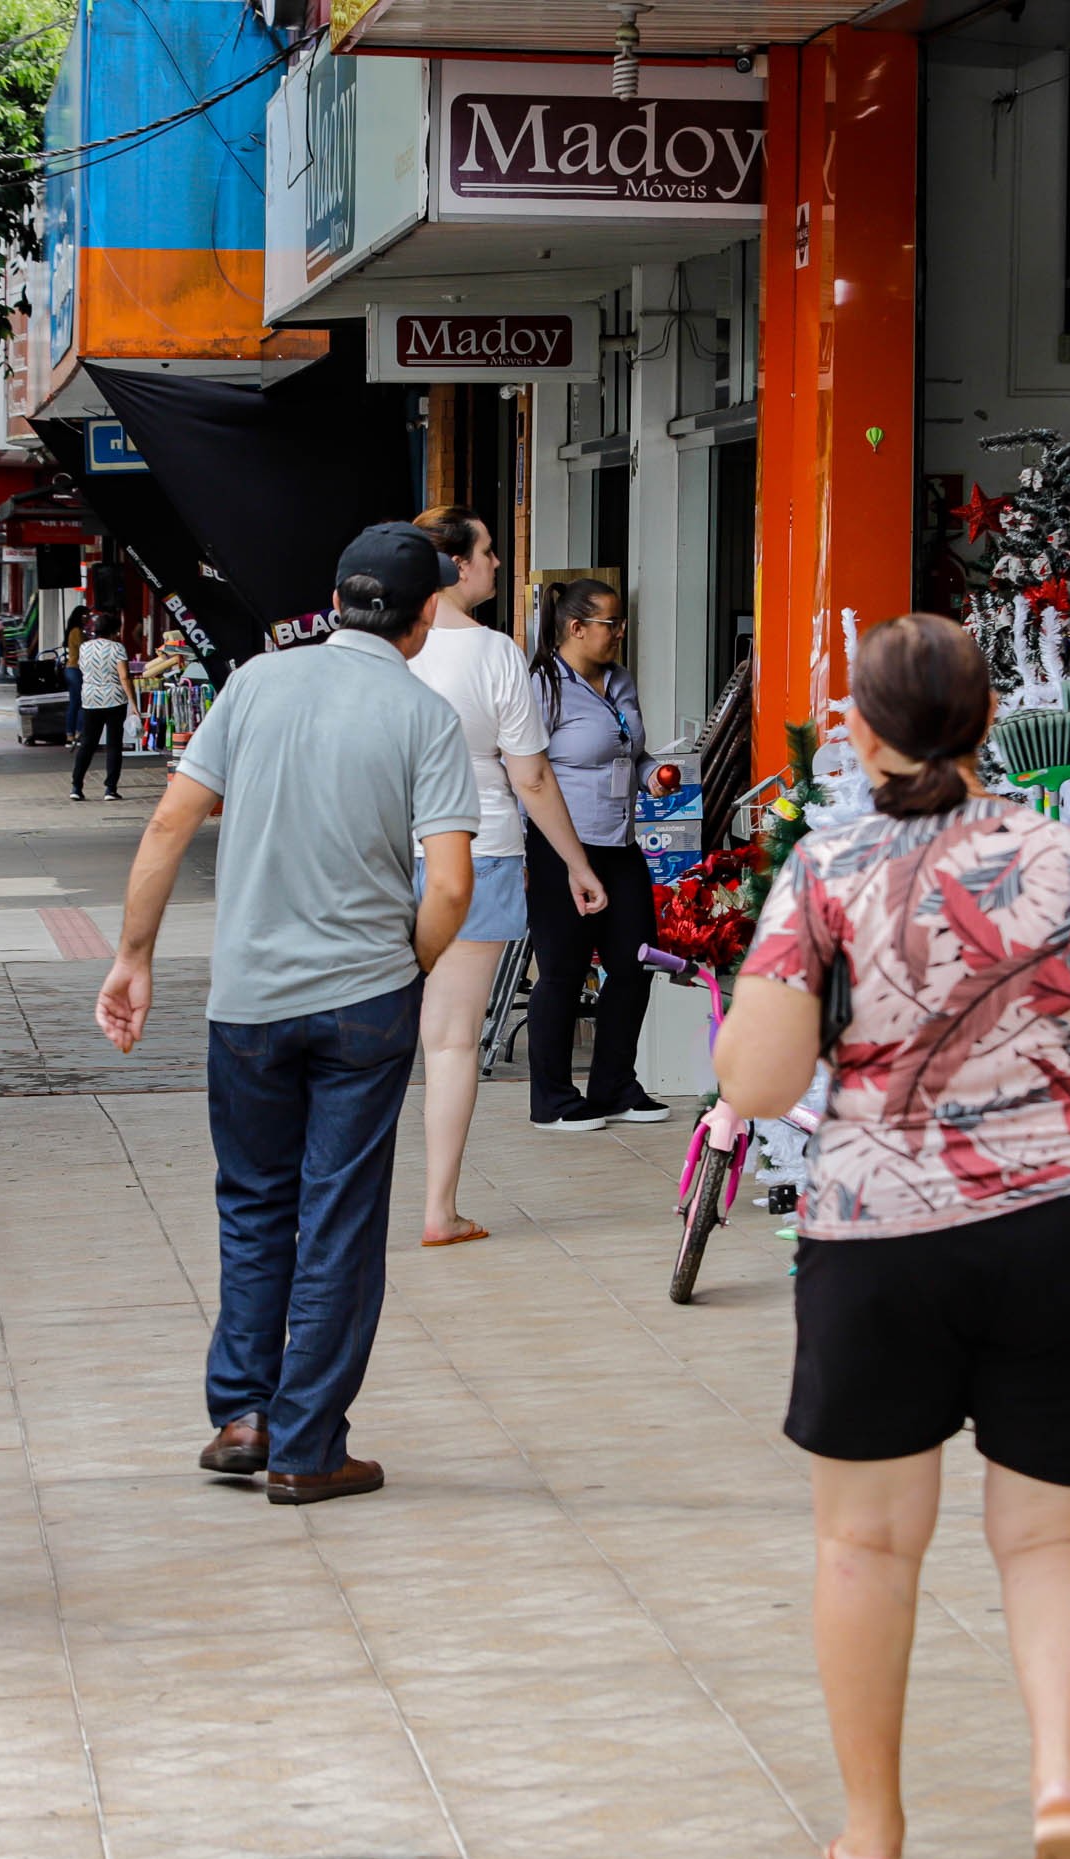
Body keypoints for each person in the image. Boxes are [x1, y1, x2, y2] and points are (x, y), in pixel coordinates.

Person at [714, 612, 1070, 1859]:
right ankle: (1059, 1787)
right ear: (990, 724)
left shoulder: (823, 871)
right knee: (1054, 1536)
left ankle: (872, 1837)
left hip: (879, 1241)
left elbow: (758, 1080)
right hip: (1069, 1227)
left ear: (860, 731)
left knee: (865, 1545)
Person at [96, 523, 476, 1506]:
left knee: (255, 1202)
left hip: (249, 1003)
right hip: (364, 1001)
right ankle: (308, 1444)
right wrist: (411, 964)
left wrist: (133, 955)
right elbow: (450, 885)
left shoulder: (257, 681)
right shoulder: (424, 714)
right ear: (425, 613)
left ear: (340, 598)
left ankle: (245, 1414)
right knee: (339, 1216)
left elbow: (170, 819)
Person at [405, 507, 608, 1246]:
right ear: (457, 564)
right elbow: (531, 777)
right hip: (475, 849)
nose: (498, 563)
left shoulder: (369, 646)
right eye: (489, 551)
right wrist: (578, 864)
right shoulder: (492, 653)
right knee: (453, 1041)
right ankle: (438, 1210)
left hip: (378, 855)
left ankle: (333, 1212)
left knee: (360, 1034)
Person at [521, 579, 672, 1132]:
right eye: (610, 623)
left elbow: (629, 750)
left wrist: (650, 771)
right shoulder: (542, 685)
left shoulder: (620, 681)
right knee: (561, 971)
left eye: (621, 623)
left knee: (636, 964)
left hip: (620, 843)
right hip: (562, 846)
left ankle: (614, 1086)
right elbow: (526, 771)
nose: (619, 633)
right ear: (576, 627)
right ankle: (553, 1100)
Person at [69, 611, 132, 801]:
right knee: (114, 745)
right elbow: (124, 677)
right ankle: (110, 789)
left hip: (90, 700)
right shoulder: (118, 648)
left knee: (87, 743)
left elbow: (82, 668)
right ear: (114, 630)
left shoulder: (85, 647)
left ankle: (76, 787)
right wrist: (134, 703)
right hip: (115, 699)